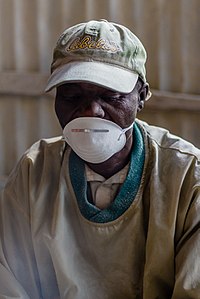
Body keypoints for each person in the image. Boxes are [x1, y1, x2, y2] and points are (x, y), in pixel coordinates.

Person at [0, 19, 200, 299]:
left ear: (141, 96)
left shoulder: (187, 176)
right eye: (71, 95)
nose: (91, 111)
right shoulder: (34, 172)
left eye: (111, 95)